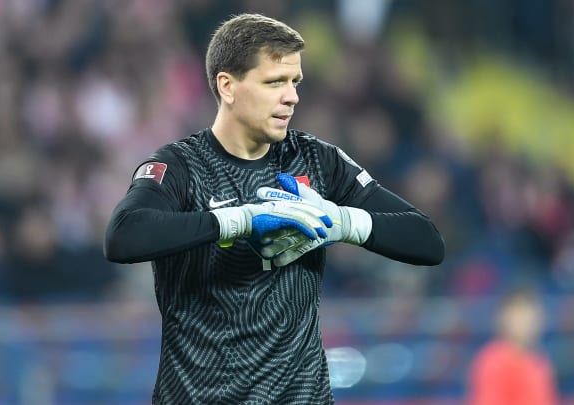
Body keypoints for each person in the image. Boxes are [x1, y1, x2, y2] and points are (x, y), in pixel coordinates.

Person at [104, 13, 444, 404]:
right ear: (227, 86)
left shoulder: (319, 160)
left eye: (294, 82)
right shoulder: (182, 166)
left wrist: (343, 222)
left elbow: (428, 241)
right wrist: (240, 220)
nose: (291, 96)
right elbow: (122, 236)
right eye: (274, 82)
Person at [467, 288, 558, 405]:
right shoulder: (493, 361)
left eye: (531, 315)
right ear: (503, 319)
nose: (526, 322)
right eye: (519, 315)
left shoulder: (540, 360)